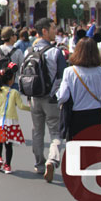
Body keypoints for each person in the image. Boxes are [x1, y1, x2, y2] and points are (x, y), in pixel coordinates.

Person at [24, 18, 67, 183]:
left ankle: (39, 163)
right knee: (55, 132)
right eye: (53, 28)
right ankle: (52, 159)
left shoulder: (30, 50)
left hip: (34, 97)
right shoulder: (55, 52)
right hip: (51, 98)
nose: (55, 31)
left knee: (37, 131)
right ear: (44, 31)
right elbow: (62, 76)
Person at [56, 37, 101, 141]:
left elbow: (63, 96)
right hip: (95, 115)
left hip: (76, 117)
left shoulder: (70, 71)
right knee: (94, 150)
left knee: (76, 151)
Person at [0, 62, 30, 174]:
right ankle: (8, 165)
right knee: (8, 144)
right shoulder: (14, 92)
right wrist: (32, 108)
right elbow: (21, 106)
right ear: (10, 80)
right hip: (10, 121)